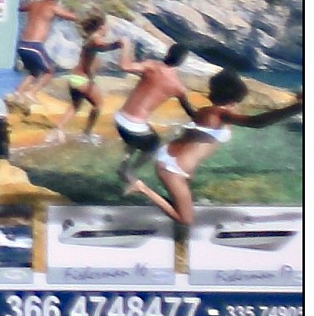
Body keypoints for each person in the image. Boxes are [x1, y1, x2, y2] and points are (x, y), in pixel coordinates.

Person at [126, 70, 303, 229]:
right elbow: (257, 122)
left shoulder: (207, 111)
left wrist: (181, 98)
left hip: (172, 159)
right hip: (173, 169)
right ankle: (141, 188)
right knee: (185, 219)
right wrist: (298, 107)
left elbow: (192, 114)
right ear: (234, 99)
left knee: (182, 202)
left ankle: (168, 202)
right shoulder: (220, 113)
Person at [111, 40, 195, 186]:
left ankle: (124, 162)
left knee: (144, 132)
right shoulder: (178, 87)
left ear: (168, 54)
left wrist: (125, 45)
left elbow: (124, 66)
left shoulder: (151, 66)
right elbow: (191, 113)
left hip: (119, 119)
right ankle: (129, 169)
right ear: (182, 62)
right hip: (134, 128)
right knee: (154, 145)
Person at [61, 13, 136, 139]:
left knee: (75, 106)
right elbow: (102, 47)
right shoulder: (95, 38)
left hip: (74, 78)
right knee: (98, 105)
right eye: (107, 26)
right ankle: (87, 133)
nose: (108, 29)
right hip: (82, 80)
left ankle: (59, 127)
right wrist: (118, 44)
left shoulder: (89, 38)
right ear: (101, 27)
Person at [9, 0, 79, 112]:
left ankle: (18, 92)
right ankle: (31, 92)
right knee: (50, 71)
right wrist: (72, 12)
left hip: (22, 45)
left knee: (34, 72)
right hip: (34, 45)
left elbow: (20, 8)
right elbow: (72, 17)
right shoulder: (52, 6)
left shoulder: (33, 4)